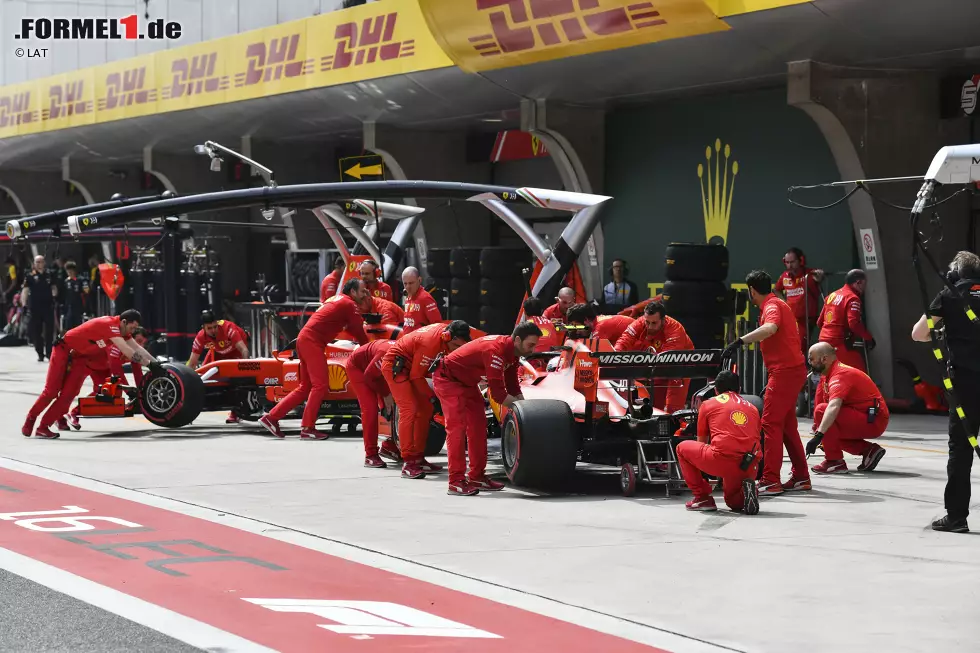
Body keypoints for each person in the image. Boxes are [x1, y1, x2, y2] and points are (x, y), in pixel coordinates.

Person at [911, 250, 980, 533]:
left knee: (961, 450)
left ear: (956, 273)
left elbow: (918, 334)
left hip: (965, 383)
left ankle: (956, 517)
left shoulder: (950, 294)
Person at [724, 270, 810, 495]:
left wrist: (740, 341)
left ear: (751, 290)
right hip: (787, 372)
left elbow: (770, 329)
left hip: (785, 372)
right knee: (787, 426)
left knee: (770, 424)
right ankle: (801, 476)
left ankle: (771, 480)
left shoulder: (772, 306)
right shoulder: (777, 304)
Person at [433, 321, 540, 496]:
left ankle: (477, 477)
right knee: (457, 430)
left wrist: (525, 407)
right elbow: (498, 395)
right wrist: (524, 412)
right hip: (447, 380)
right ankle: (456, 481)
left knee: (478, 428)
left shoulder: (512, 353)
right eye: (531, 345)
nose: (532, 350)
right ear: (518, 340)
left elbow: (513, 387)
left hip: (467, 383)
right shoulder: (495, 351)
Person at [258, 279, 370, 439]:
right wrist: (369, 350)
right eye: (362, 291)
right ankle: (308, 428)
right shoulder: (349, 304)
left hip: (303, 339)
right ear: (352, 292)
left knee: (305, 387)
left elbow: (350, 326)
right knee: (320, 385)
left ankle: (271, 418)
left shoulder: (336, 299)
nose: (365, 293)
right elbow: (359, 331)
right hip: (312, 343)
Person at [23, 309, 159, 439]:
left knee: (69, 394)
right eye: (132, 328)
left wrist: (156, 364)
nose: (133, 331)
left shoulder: (123, 332)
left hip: (80, 357)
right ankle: (31, 418)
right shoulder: (110, 325)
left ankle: (43, 427)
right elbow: (127, 350)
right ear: (123, 322)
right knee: (52, 391)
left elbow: (137, 348)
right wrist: (149, 365)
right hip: (63, 349)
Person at [381, 320, 473, 477]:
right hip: (396, 367)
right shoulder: (429, 344)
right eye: (456, 347)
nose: (456, 351)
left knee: (426, 410)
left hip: (411, 368)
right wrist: (432, 397)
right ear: (447, 337)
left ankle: (418, 457)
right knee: (409, 409)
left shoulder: (446, 338)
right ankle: (408, 462)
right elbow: (417, 376)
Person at [676, 371, 761, 514]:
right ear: (739, 389)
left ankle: (702, 498)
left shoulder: (708, 404)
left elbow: (701, 442)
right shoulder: (752, 408)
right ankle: (747, 491)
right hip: (749, 464)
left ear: (716, 390)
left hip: (723, 458)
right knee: (734, 503)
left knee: (681, 448)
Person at [805, 342, 889, 475]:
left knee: (822, 412)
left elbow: (833, 406)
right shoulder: (828, 375)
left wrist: (819, 435)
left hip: (873, 419)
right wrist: (820, 432)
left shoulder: (840, 375)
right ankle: (869, 451)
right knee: (827, 431)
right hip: (865, 416)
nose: (809, 362)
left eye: (811, 359)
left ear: (824, 359)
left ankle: (834, 461)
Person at [615, 301, 694, 413]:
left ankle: (675, 426)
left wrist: (643, 372)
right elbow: (625, 339)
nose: (649, 326)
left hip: (680, 361)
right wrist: (615, 356)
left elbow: (668, 358)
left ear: (663, 320)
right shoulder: (640, 322)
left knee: (673, 404)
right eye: (647, 322)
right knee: (656, 405)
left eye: (654, 323)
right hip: (657, 356)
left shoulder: (675, 329)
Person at [65, 326, 150, 430]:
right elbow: (117, 372)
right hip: (86, 362)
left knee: (104, 392)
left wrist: (142, 393)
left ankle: (71, 414)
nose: (140, 346)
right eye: (138, 341)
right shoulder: (117, 345)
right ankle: (65, 415)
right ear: (130, 340)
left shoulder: (134, 352)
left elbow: (138, 374)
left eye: (143, 343)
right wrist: (130, 392)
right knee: (69, 392)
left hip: (103, 366)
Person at [186, 310, 250, 423]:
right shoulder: (200, 336)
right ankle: (190, 409)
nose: (213, 330)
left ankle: (235, 412)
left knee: (236, 380)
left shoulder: (228, 328)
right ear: (203, 328)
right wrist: (187, 382)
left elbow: (244, 349)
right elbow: (192, 363)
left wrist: (244, 369)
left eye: (215, 327)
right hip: (218, 351)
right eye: (209, 328)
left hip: (236, 351)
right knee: (201, 377)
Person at [347, 338, 397, 468]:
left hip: (377, 369)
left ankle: (390, 446)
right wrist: (385, 394)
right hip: (359, 369)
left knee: (397, 404)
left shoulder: (409, 353)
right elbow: (369, 376)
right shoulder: (388, 353)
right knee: (370, 409)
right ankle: (370, 455)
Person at [817, 269, 874, 373]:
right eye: (864, 284)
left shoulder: (831, 295)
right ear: (858, 282)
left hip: (823, 341)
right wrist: (868, 337)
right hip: (838, 343)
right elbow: (853, 323)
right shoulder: (852, 298)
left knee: (827, 374)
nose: (864, 288)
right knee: (859, 372)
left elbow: (819, 322)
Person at [774, 247, 824, 354]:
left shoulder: (810, 274)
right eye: (787, 262)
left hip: (806, 319)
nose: (790, 265)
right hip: (791, 319)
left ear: (801, 261)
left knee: (799, 347)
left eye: (792, 262)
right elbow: (776, 290)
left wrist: (819, 276)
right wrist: (784, 302)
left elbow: (819, 276)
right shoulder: (784, 276)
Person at [23, 254, 58, 361]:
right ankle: (40, 353)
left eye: (41, 261)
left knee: (49, 331)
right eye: (37, 262)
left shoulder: (49, 274)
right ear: (34, 263)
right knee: (36, 331)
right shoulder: (29, 276)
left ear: (44, 263)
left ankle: (49, 352)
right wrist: (24, 304)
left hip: (48, 306)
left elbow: (54, 287)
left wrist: (55, 295)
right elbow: (25, 291)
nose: (39, 264)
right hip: (35, 307)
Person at [401, 266, 442, 333]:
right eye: (405, 284)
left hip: (419, 341)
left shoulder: (425, 298)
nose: (408, 287)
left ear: (419, 280)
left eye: (411, 283)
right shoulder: (408, 296)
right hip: (407, 340)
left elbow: (437, 326)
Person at [565, 303, 633, 343]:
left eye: (578, 327)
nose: (577, 332)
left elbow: (592, 354)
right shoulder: (598, 321)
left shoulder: (601, 327)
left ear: (586, 320)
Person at [60, 260, 90, 333]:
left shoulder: (81, 280)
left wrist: (85, 288)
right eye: (68, 271)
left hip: (78, 306)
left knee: (78, 325)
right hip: (69, 306)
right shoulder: (66, 281)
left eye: (71, 271)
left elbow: (87, 291)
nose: (69, 272)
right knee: (68, 325)